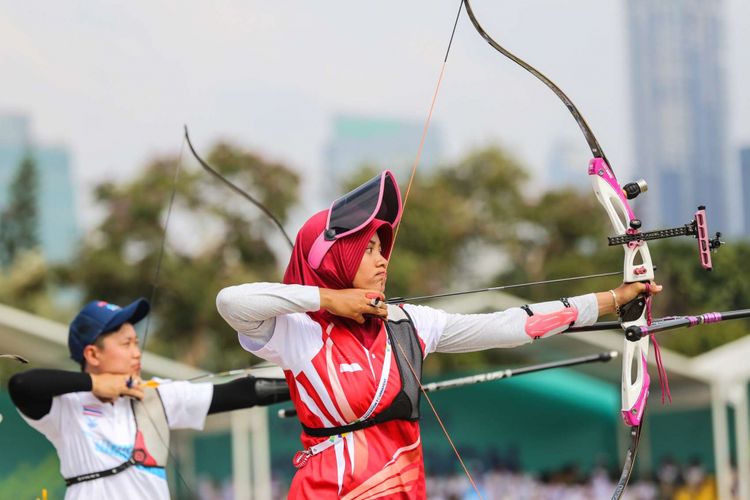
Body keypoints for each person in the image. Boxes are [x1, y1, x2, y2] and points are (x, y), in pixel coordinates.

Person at [216, 170, 662, 499]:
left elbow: (509, 325)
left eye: (381, 248)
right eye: (367, 248)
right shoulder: (297, 332)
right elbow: (231, 303)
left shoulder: (407, 323)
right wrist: (330, 301)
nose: (381, 259)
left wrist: (610, 300)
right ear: (335, 258)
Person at [8, 298, 288, 500]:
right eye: (126, 344)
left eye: (137, 343)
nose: (136, 353)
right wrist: (96, 383)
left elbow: (238, 393)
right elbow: (21, 385)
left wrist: (308, 388)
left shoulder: (154, 393)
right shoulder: (67, 406)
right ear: (93, 355)